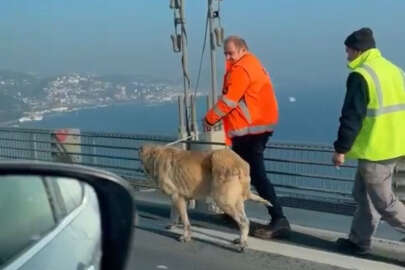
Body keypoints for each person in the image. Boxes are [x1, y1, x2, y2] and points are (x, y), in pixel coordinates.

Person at [204, 35, 291, 239]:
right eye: (225, 53)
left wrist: (209, 119)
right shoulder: (252, 63)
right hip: (255, 128)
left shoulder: (241, 69)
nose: (228, 57)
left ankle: (279, 218)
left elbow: (229, 101)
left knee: (256, 175)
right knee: (239, 172)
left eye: (230, 53)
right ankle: (233, 212)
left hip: (250, 131)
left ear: (242, 50)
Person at [333, 27, 405, 255]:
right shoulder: (395, 70)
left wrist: (340, 149)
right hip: (397, 144)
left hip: (377, 149)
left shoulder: (361, 75)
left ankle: (359, 241)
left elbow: (352, 116)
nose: (347, 56)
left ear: (357, 50)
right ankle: (358, 241)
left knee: (384, 202)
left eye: (348, 51)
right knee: (363, 195)